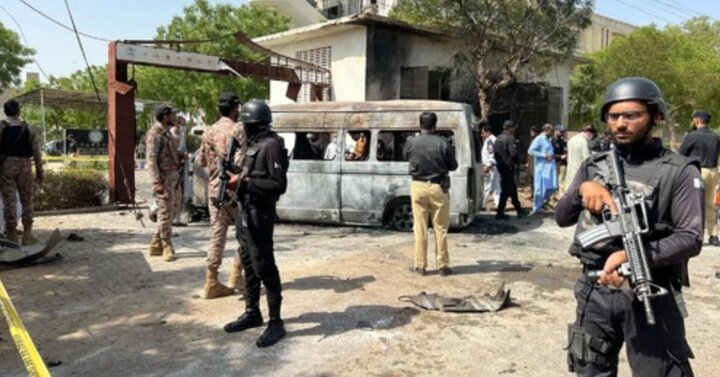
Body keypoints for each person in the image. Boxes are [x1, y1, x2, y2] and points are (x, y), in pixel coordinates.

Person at [556, 77, 701, 376]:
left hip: (649, 289)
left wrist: (633, 256)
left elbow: (690, 237)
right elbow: (562, 216)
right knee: (589, 369)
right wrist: (585, 188)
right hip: (595, 289)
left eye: (631, 115)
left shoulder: (679, 171)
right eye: (613, 116)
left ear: (656, 116)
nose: (620, 124)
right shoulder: (595, 164)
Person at [224, 100, 289, 348]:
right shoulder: (254, 145)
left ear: (255, 124)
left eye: (247, 125)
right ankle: (253, 312)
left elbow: (278, 185)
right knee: (248, 264)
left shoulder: (271, 146)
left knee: (264, 266)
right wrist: (233, 171)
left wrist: (244, 183)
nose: (244, 130)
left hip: (260, 214)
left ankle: (276, 322)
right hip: (245, 213)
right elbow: (248, 175)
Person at [196, 93, 246, 299]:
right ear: (235, 108)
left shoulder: (209, 131)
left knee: (217, 235)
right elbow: (241, 162)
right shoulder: (238, 129)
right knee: (246, 232)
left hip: (215, 189)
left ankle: (211, 281)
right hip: (234, 190)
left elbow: (199, 160)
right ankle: (236, 274)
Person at [402, 112, 458, 276]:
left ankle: (420, 266)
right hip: (438, 187)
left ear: (420, 125)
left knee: (419, 228)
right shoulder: (443, 142)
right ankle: (443, 266)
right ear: (435, 125)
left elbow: (405, 156)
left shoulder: (411, 142)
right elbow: (453, 166)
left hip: (418, 186)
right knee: (440, 227)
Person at [0, 100, 43, 244]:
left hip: (6, 167)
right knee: (27, 200)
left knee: (9, 201)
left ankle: (11, 234)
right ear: (18, 111)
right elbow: (36, 152)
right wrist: (39, 171)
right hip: (25, 166)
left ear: (6, 112)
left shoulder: (1, 127)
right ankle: (27, 235)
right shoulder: (28, 128)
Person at [678, 110, 720, 246]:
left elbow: (681, 154)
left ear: (696, 120)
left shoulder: (692, 136)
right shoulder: (715, 136)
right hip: (713, 171)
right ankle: (714, 236)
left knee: (695, 204)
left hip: (697, 172)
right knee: (710, 204)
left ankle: (696, 235)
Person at [146, 104, 181, 262]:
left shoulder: (167, 132)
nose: (173, 117)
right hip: (164, 178)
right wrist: (156, 182)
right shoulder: (155, 133)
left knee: (171, 211)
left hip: (174, 177)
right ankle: (167, 244)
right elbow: (151, 159)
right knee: (165, 213)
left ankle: (155, 241)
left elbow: (170, 151)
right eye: (171, 115)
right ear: (165, 116)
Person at [494, 120, 528, 220]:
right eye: (513, 127)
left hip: (501, 166)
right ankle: (500, 212)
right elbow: (513, 153)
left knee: (512, 189)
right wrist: (518, 162)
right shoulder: (510, 138)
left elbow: (495, 153)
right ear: (510, 127)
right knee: (506, 190)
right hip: (508, 167)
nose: (515, 129)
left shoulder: (498, 137)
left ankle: (519, 210)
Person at [527, 124, 557, 214]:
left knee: (553, 187)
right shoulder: (539, 139)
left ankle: (541, 203)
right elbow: (530, 151)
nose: (553, 133)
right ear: (547, 130)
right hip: (542, 167)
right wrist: (544, 156)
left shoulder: (548, 140)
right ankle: (537, 207)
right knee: (540, 188)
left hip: (550, 167)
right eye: (552, 131)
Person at [170, 116, 188, 226]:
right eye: (182, 124)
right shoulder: (171, 135)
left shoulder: (180, 135)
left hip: (181, 167)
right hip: (173, 169)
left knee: (180, 193)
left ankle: (176, 218)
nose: (183, 127)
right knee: (174, 194)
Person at [565, 124, 595, 190]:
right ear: (589, 133)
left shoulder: (571, 139)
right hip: (579, 172)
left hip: (570, 170)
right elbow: (586, 159)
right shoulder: (583, 141)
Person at [480, 126, 500, 210]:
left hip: (491, 167)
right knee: (496, 186)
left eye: (483, 133)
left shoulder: (490, 141)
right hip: (494, 166)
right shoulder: (492, 140)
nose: (482, 135)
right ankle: (498, 204)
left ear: (487, 132)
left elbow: (491, 155)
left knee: (487, 186)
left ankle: (482, 205)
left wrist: (487, 165)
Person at [553, 124, 568, 197]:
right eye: (561, 131)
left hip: (563, 163)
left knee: (562, 181)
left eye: (563, 131)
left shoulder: (563, 141)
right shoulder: (551, 141)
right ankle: (553, 197)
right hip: (554, 163)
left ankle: (560, 197)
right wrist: (560, 156)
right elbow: (549, 154)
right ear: (556, 131)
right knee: (554, 181)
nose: (562, 133)